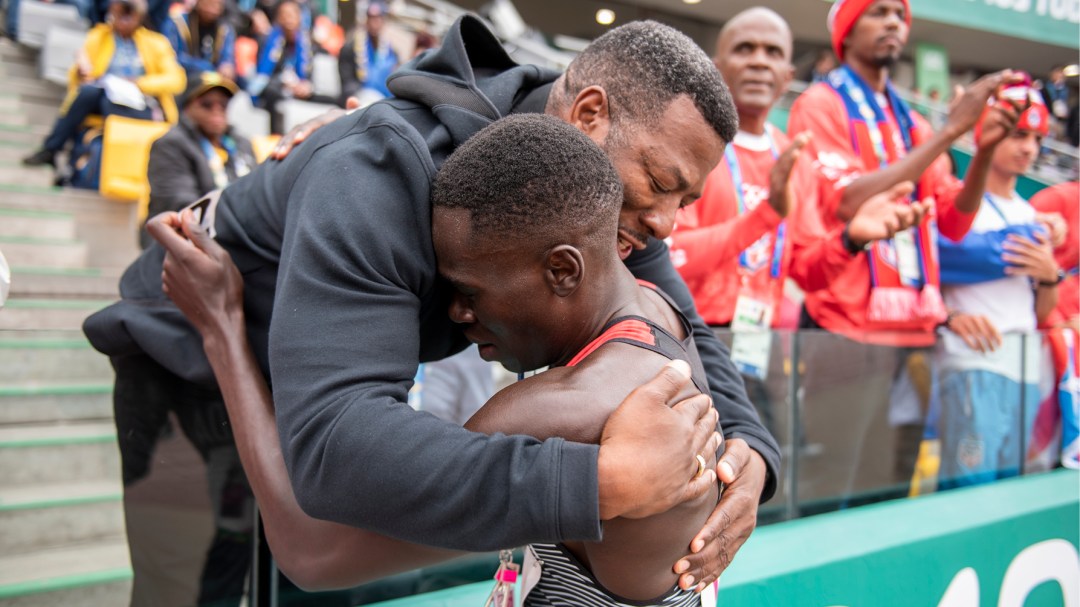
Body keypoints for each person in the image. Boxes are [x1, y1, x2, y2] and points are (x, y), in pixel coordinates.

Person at [84, 18, 778, 593]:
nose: (666, 225)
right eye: (660, 183)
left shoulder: (601, 192)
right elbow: (333, 450)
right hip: (191, 337)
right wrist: (597, 482)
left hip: (314, 379)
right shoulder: (377, 172)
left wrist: (752, 454)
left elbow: (688, 332)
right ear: (588, 114)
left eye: (685, 199)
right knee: (197, 582)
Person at [150, 113, 725, 604]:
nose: (453, 313)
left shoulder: (555, 415)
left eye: (470, 291)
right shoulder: (661, 311)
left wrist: (221, 326)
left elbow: (312, 552)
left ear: (563, 270)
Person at [786, 0, 1022, 346]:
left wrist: (984, 151)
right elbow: (849, 202)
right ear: (847, 33)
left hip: (915, 330)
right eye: (878, 13)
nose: (894, 23)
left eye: (900, 15)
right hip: (843, 327)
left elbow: (954, 222)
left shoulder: (914, 124)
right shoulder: (819, 104)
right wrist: (950, 132)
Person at [935, 99, 1061, 488]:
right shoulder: (957, 203)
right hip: (974, 363)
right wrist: (950, 317)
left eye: (1037, 138)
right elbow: (932, 270)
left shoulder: (1029, 213)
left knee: (1010, 487)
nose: (1029, 148)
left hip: (1024, 368)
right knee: (969, 487)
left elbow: (1041, 312)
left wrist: (1050, 277)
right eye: (1018, 134)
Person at [21, 0, 185, 169]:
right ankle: (52, 149)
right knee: (89, 92)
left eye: (129, 15)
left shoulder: (156, 43)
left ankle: (102, 159)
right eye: (119, 13)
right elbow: (77, 82)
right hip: (102, 96)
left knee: (102, 98)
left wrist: (138, 84)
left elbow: (176, 80)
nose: (123, 19)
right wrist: (80, 72)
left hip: (142, 103)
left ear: (139, 17)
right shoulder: (98, 36)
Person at [142, 72, 255, 248]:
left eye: (223, 105)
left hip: (234, 238)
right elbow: (184, 206)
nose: (217, 110)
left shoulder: (241, 144)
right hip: (179, 244)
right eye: (207, 104)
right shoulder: (170, 144)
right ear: (187, 108)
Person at [338, 0, 399, 107]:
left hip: (385, 103)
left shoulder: (391, 53)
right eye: (371, 18)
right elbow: (347, 84)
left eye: (378, 18)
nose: (374, 22)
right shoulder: (350, 48)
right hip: (359, 101)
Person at [161, 0, 238, 83]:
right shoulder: (177, 22)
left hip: (212, 82)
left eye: (217, 5)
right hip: (182, 78)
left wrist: (227, 66)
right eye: (209, 3)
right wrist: (204, 67)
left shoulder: (224, 30)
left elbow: (227, 58)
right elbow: (170, 56)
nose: (213, 9)